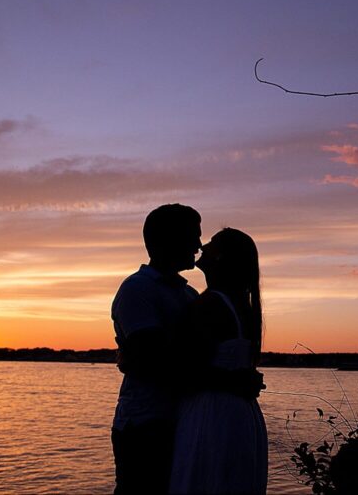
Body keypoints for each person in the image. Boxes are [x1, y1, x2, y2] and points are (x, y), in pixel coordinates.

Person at [110, 204, 203, 494]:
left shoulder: (189, 294)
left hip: (181, 421)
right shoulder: (137, 289)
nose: (199, 245)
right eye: (193, 236)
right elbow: (152, 362)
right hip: (145, 424)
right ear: (167, 240)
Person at [170, 228, 268, 495]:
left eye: (211, 243)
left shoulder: (209, 304)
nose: (203, 245)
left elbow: (188, 373)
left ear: (222, 256)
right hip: (241, 415)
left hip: (212, 416)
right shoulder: (242, 306)